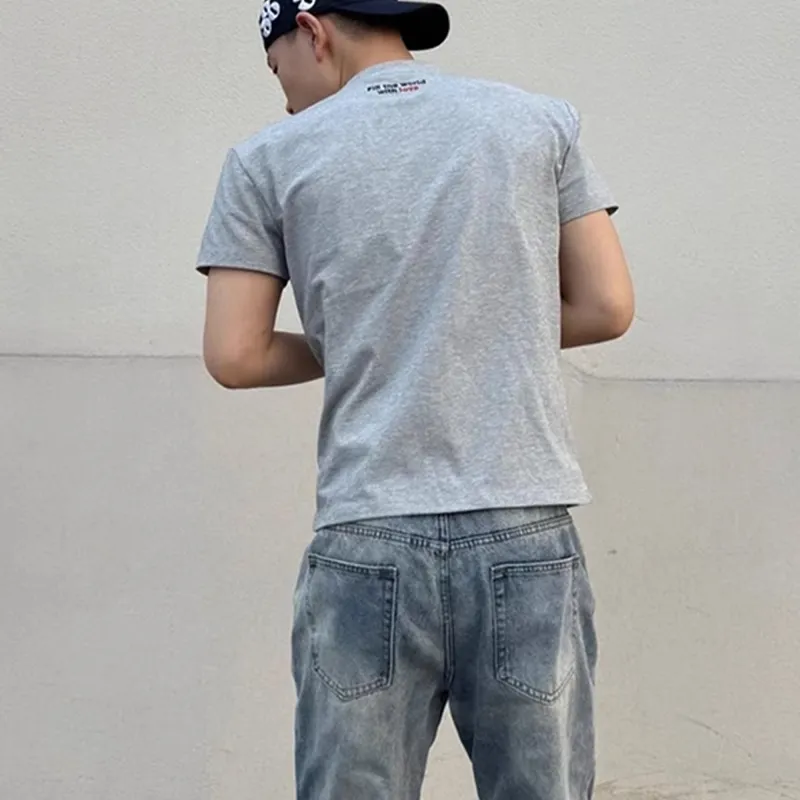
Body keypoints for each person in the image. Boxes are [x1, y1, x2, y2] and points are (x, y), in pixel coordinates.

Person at [196, 0, 634, 797]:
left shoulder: (266, 158)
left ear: (311, 29)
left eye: (276, 68)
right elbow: (606, 307)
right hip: (523, 528)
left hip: (368, 536)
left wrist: (372, 337)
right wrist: (467, 329)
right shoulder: (539, 123)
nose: (285, 97)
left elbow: (235, 354)